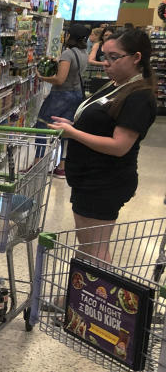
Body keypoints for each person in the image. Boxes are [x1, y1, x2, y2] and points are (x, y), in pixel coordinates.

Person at [46, 29, 159, 262]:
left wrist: (74, 133)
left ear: (136, 58)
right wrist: (74, 124)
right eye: (105, 56)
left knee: (95, 250)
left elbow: (119, 145)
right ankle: (83, 296)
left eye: (113, 57)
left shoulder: (139, 96)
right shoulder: (118, 84)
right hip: (90, 178)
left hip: (104, 181)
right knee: (89, 247)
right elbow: (102, 122)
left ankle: (94, 297)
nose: (105, 63)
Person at [36, 23, 89, 176]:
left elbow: (60, 79)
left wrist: (42, 77)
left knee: (41, 125)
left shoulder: (68, 53)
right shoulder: (83, 52)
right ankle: (62, 166)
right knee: (66, 128)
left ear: (70, 36)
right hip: (76, 95)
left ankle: (37, 164)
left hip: (61, 95)